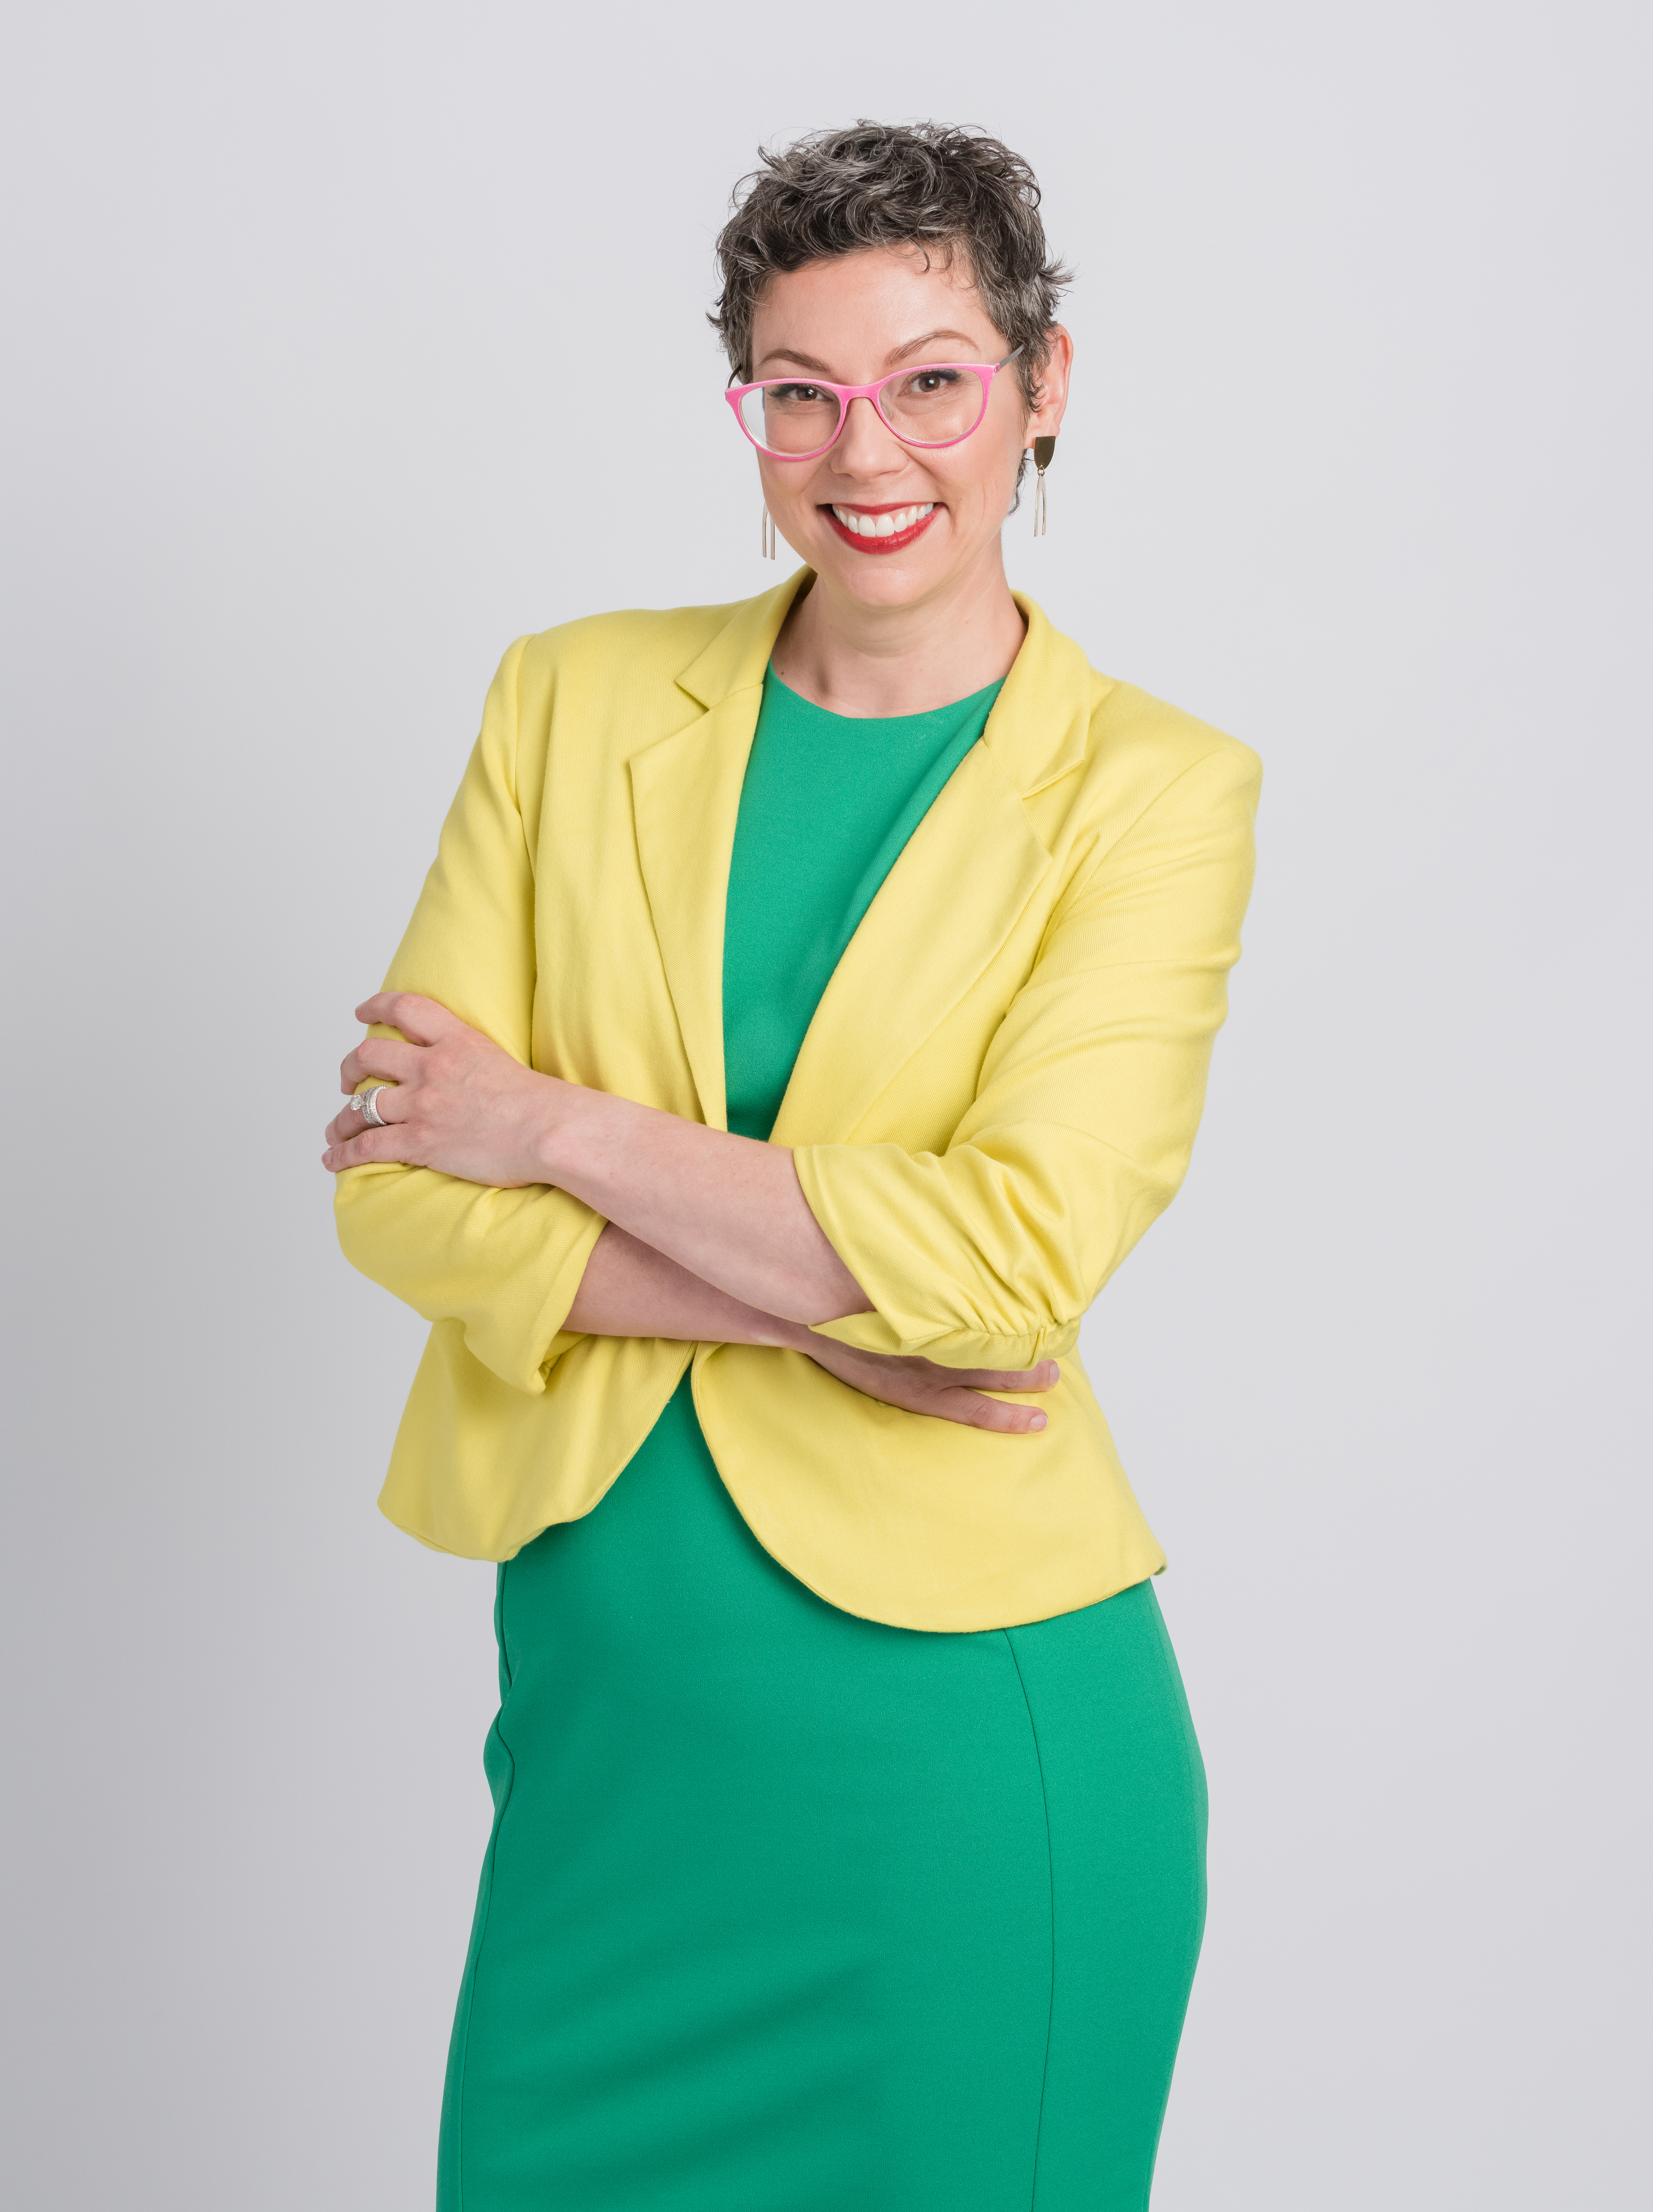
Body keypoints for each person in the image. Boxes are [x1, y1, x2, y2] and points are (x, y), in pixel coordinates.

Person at [325, 120, 1261, 2212]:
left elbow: (1013, 1272)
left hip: (963, 1774)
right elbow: (397, 1186)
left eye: (933, 377)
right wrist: (822, 1303)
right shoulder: (572, 702)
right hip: (609, 1764)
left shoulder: (1157, 794)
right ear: (741, 405)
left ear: (1043, 384)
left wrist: (552, 1129)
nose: (870, 451)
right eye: (802, 391)